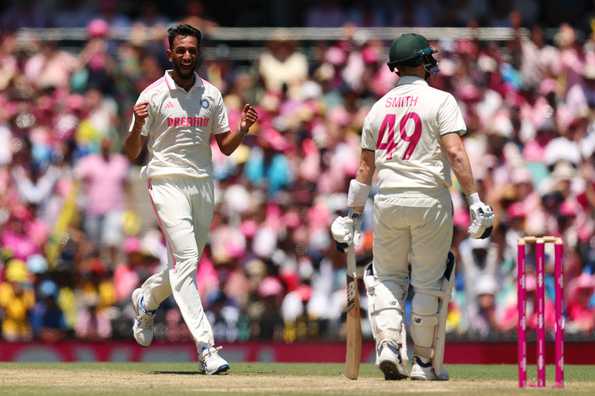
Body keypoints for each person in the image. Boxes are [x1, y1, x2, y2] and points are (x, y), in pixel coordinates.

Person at [331, 33, 493, 381]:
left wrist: (352, 215)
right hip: (429, 198)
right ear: (423, 63)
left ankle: (389, 345)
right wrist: (475, 201)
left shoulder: (378, 107)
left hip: (387, 200)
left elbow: (363, 169)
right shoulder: (441, 100)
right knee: (428, 281)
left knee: (386, 276)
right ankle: (422, 363)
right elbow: (455, 153)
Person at [123, 24, 258, 375]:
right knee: (187, 260)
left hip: (202, 185)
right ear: (170, 53)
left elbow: (224, 147)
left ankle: (146, 299)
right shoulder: (151, 96)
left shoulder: (211, 95)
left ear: (198, 53)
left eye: (191, 50)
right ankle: (206, 348)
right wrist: (137, 126)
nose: (186, 56)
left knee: (186, 264)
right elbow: (131, 151)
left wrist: (242, 129)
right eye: (180, 50)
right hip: (165, 182)